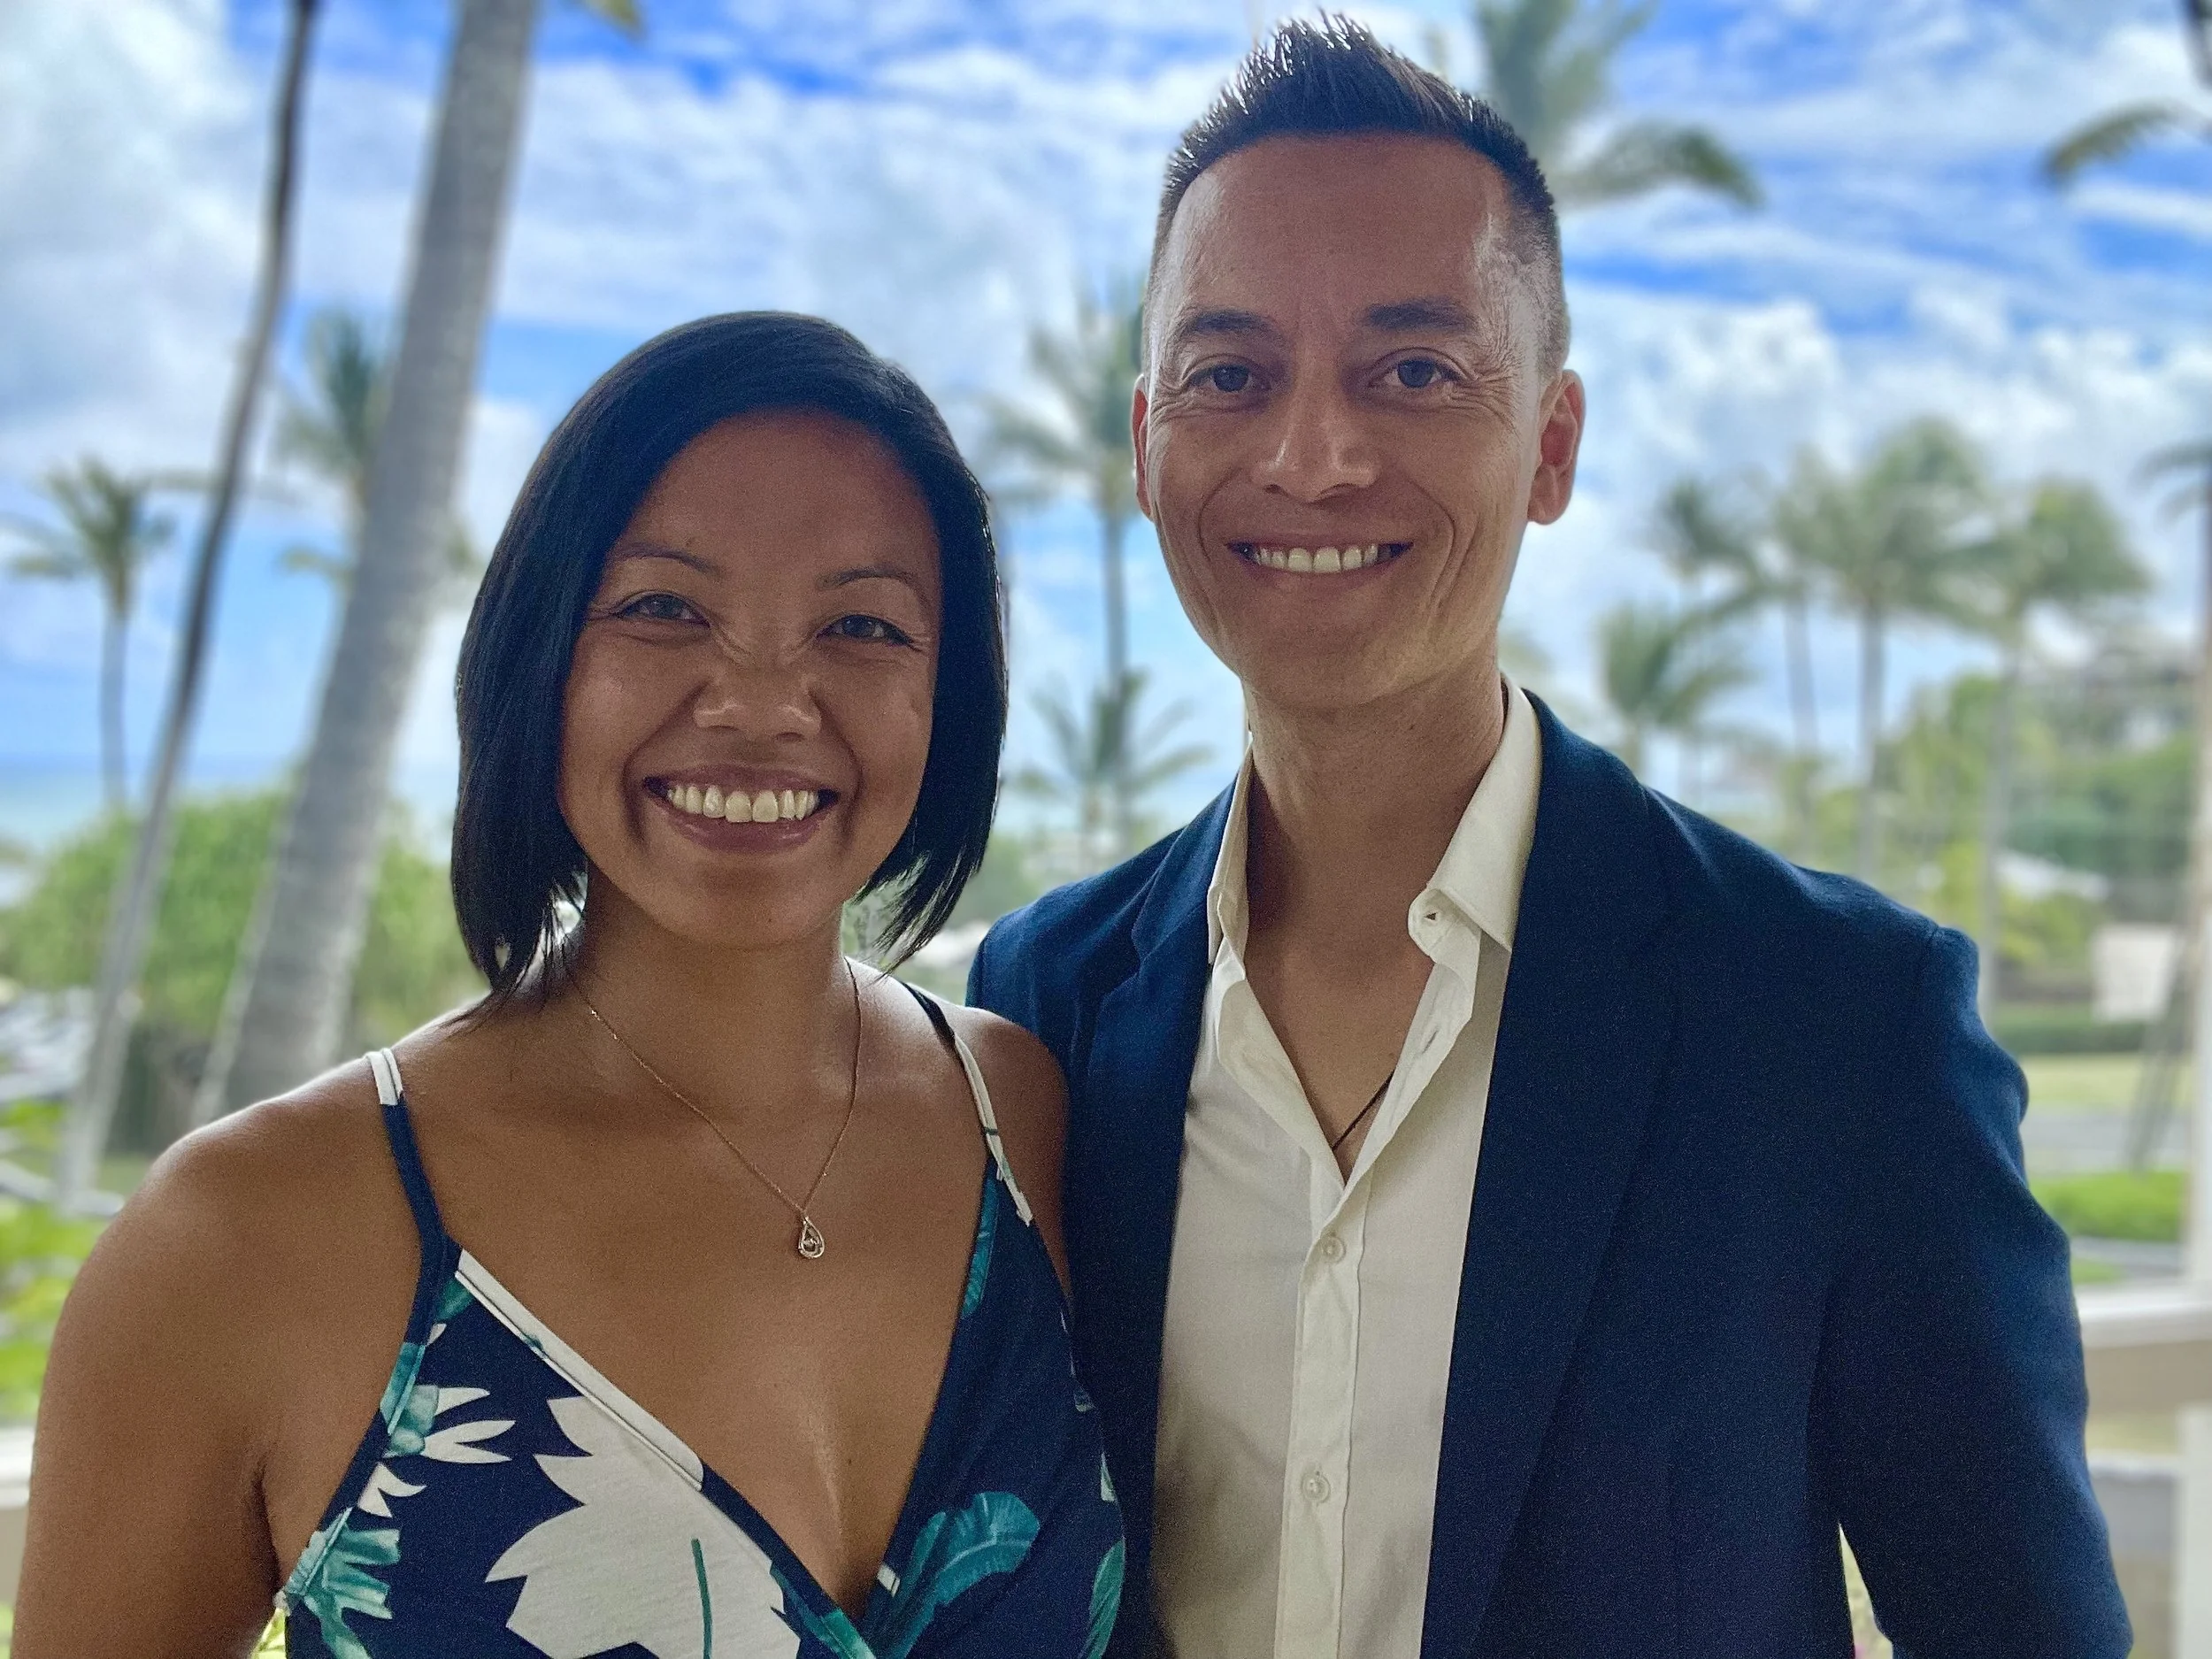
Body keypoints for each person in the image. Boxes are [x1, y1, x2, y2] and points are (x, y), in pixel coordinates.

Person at [969, 21, 2127, 1659]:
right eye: (1233, 375)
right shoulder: (1048, 1006)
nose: (1313, 455)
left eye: (1413, 372)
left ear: (1553, 447)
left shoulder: (1839, 1024)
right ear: (1149, 444)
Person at [19, 313, 1124, 1659]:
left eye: (861, 624)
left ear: (949, 693)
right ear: (541, 653)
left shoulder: (1019, 1115)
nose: (762, 702)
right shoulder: (247, 1235)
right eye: (665, 609)